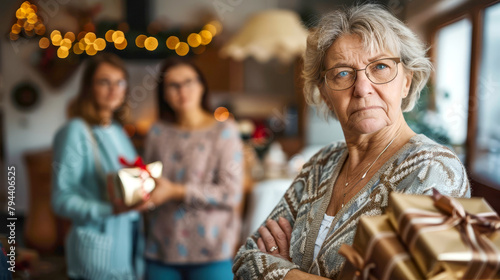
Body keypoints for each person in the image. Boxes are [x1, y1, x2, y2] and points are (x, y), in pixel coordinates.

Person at [233, 4, 470, 280]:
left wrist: (285, 272)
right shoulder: (322, 163)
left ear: (406, 80)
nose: (362, 88)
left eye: (380, 67)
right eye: (343, 73)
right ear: (324, 92)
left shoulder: (433, 168)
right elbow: (245, 261)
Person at [137, 57, 244, 280]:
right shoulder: (157, 132)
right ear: (164, 93)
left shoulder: (224, 131)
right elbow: (147, 182)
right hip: (161, 247)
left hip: (212, 250)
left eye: (188, 82)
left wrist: (176, 191)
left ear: (202, 86)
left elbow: (231, 193)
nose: (182, 90)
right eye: (173, 85)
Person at [52, 53, 142, 280]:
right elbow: (61, 200)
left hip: (127, 241)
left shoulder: (118, 131)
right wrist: (109, 209)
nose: (113, 89)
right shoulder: (77, 131)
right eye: (104, 81)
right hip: (96, 244)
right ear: (88, 87)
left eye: (119, 82)